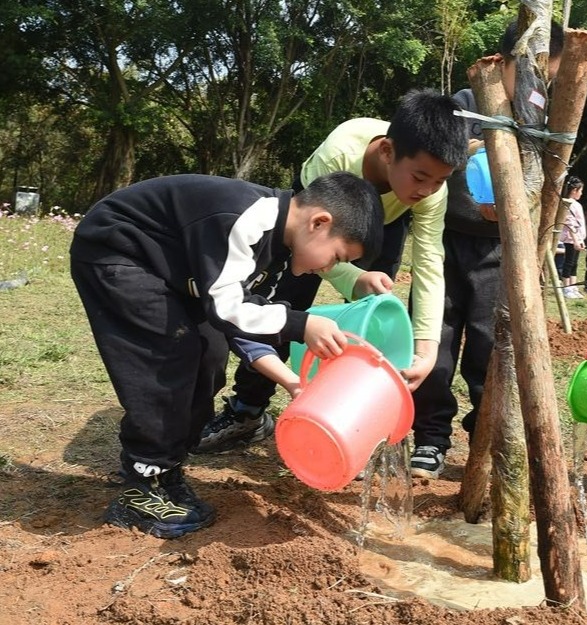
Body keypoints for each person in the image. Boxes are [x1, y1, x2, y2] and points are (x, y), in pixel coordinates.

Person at [69, 172, 385, 538]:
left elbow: (240, 324)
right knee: (169, 360)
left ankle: (166, 467)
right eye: (336, 257)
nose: (328, 270)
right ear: (319, 222)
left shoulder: (278, 248)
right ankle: (144, 485)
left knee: (209, 355)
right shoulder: (247, 220)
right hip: (119, 253)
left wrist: (292, 382)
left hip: (171, 273)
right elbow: (228, 308)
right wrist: (301, 324)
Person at [195, 88, 469, 455]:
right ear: (387, 151)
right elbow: (317, 244)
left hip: (385, 225)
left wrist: (427, 346)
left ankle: (359, 422)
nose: (428, 189)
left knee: (379, 322)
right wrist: (352, 275)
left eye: (438, 181)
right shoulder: (339, 153)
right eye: (420, 177)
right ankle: (248, 410)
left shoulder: (429, 189)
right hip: (316, 219)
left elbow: (430, 263)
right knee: (282, 307)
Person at [409, 20, 564, 478]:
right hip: (444, 242)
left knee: (488, 347)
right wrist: (483, 144)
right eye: (532, 73)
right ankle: (431, 437)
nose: (539, 86)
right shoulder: (464, 104)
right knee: (433, 340)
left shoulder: (538, 119)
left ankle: (484, 437)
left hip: (499, 250)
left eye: (547, 79)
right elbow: (445, 153)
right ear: (502, 64)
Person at [559, 176, 587, 299]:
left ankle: (573, 285)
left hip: (577, 238)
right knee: (568, 262)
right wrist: (576, 240)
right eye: (580, 190)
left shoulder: (577, 204)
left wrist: (580, 240)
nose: (581, 193)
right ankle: (566, 287)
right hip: (570, 239)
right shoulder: (568, 204)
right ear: (574, 190)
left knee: (575, 263)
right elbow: (570, 223)